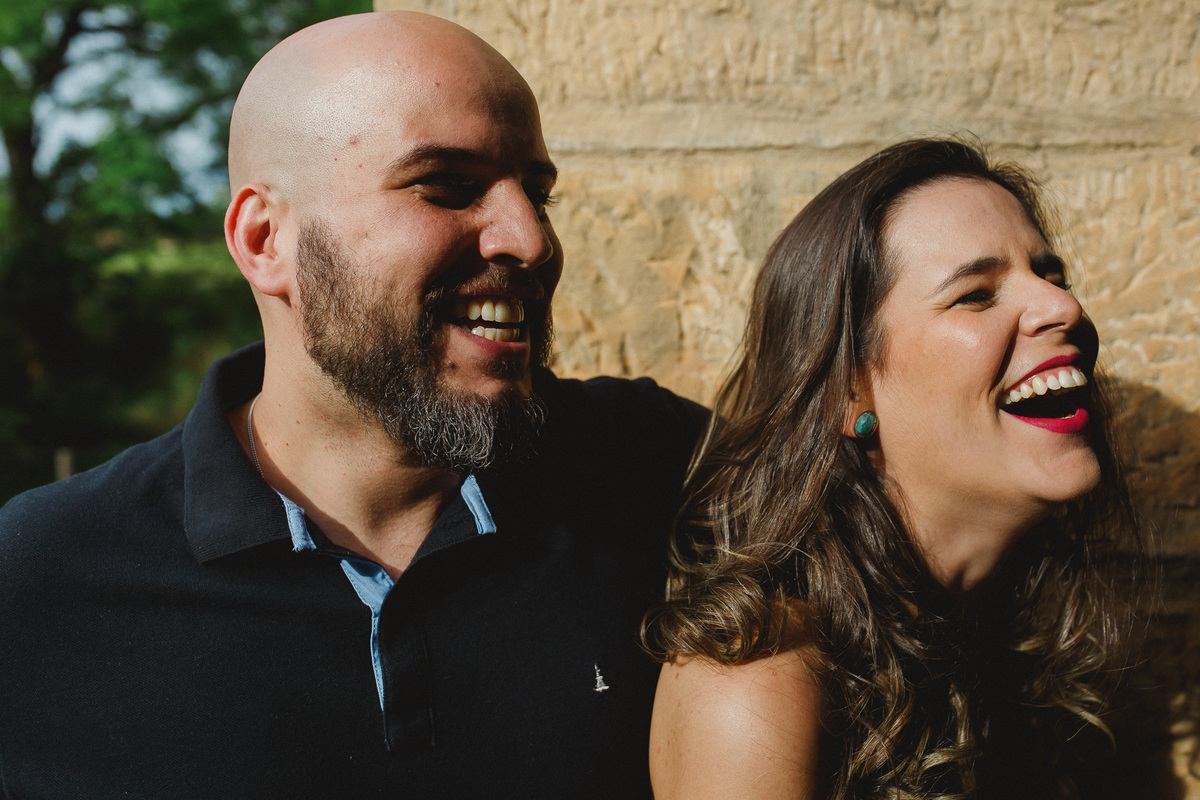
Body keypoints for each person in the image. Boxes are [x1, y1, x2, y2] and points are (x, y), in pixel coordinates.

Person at [0, 12, 703, 798]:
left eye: (537, 194)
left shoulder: (663, 469)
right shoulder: (37, 579)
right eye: (447, 187)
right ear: (267, 242)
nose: (531, 240)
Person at [645, 139, 1140, 800]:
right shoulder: (760, 680)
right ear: (850, 393)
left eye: (1052, 274)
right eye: (976, 295)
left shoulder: (997, 641)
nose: (1064, 309)